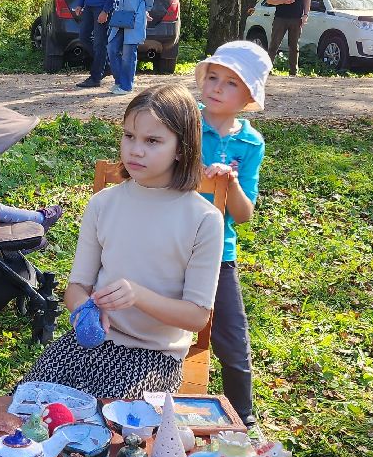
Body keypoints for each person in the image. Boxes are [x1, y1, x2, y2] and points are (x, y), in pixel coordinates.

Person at [19, 83, 223, 400]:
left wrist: (138, 296)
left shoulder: (203, 219)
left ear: (181, 148)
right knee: (30, 408)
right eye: (129, 136)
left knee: (108, 427)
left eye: (152, 141)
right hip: (88, 344)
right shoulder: (104, 204)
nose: (135, 150)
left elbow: (196, 316)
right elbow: (77, 287)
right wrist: (84, 311)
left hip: (153, 358)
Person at [195, 41, 272, 426]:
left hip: (218, 253)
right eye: (212, 77)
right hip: (169, 242)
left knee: (233, 341)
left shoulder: (250, 143)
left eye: (230, 83)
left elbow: (244, 215)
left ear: (248, 97)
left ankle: (244, 420)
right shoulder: (183, 121)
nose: (216, 88)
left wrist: (233, 183)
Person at [106, 0, 155, 95]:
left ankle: (126, 86)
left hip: (134, 19)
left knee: (128, 54)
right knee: (112, 48)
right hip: (120, 17)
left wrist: (145, 11)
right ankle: (119, 81)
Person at [265, 0, 309, 76]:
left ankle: (293, 72)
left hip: (296, 18)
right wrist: (283, 1)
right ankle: (267, 70)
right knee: (274, 45)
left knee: (294, 46)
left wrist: (305, 14)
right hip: (281, 18)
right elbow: (269, 0)